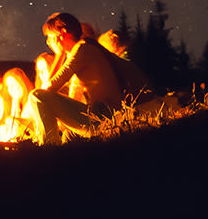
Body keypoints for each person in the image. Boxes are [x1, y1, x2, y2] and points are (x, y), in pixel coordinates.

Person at [28, 12, 139, 145]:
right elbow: (72, 99)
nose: (49, 42)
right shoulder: (88, 49)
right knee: (68, 135)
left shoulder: (81, 50)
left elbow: (50, 88)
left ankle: (48, 147)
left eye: (51, 37)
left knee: (36, 96)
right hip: (109, 117)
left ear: (62, 33)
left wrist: (59, 55)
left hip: (105, 117)